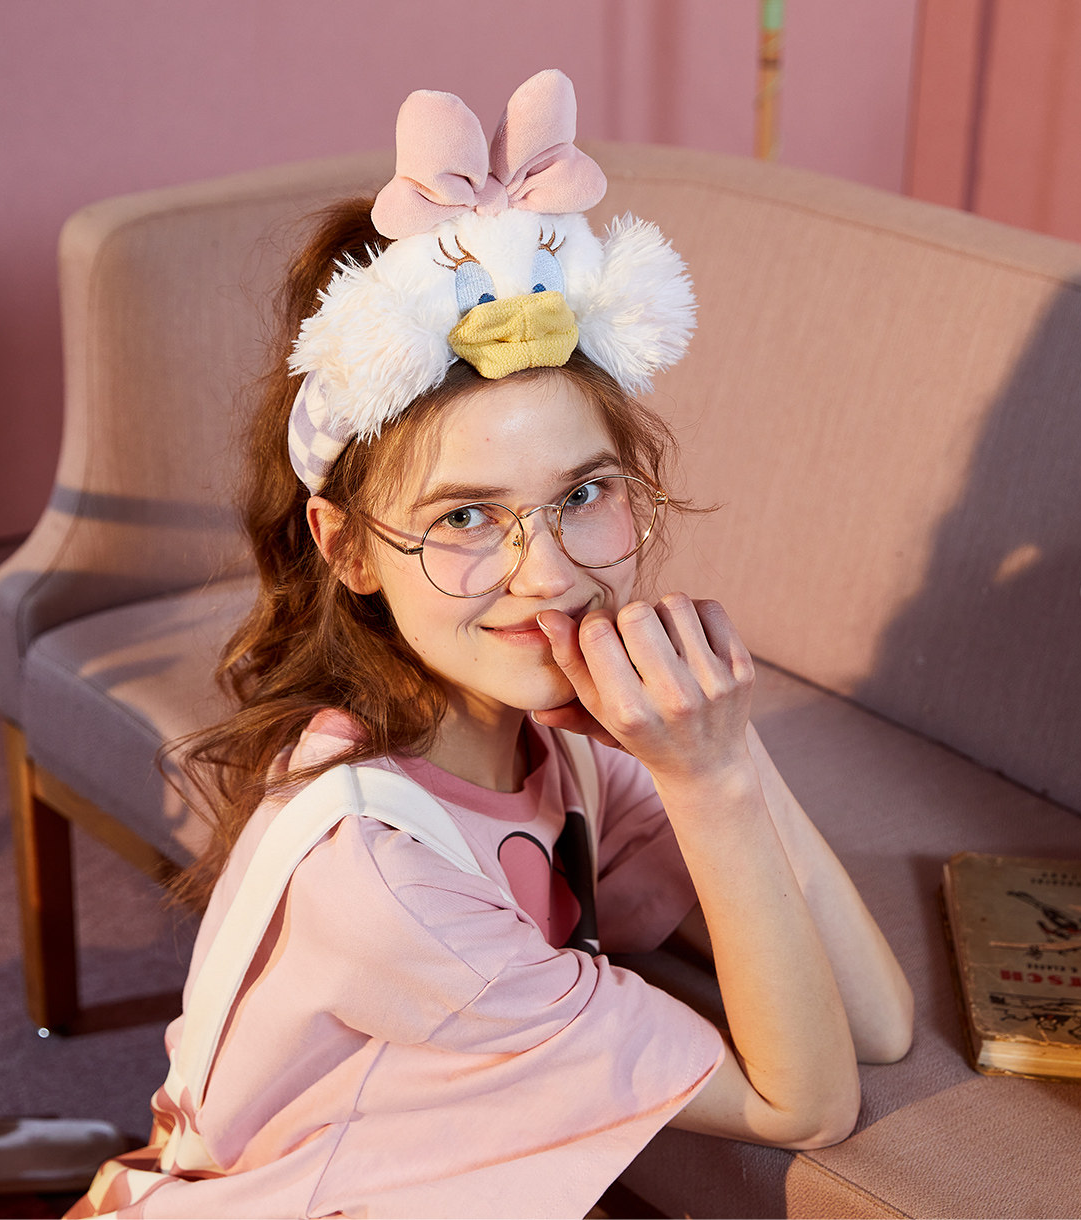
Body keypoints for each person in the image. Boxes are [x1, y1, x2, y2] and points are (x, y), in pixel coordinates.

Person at [69, 70, 912, 1220]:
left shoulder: (550, 740)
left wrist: (719, 740)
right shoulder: (383, 879)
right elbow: (806, 1103)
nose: (548, 572)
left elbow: (878, 1022)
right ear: (347, 548)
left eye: (584, 493)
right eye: (466, 515)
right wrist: (710, 778)